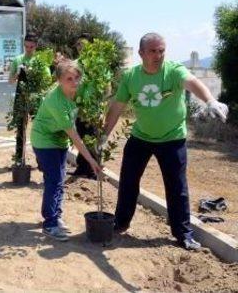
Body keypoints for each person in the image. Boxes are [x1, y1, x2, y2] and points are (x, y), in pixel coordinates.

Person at [102, 33, 229, 250]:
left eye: (161, 51)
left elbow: (193, 82)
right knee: (128, 181)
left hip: (172, 139)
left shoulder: (173, 70)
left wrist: (210, 100)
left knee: (177, 188)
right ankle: (121, 222)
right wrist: (104, 135)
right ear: (141, 53)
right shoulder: (132, 76)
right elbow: (117, 107)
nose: (158, 55)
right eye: (153, 51)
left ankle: (183, 234)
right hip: (141, 137)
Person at [31, 60, 101, 241]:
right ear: (59, 80)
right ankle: (50, 224)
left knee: (59, 180)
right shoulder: (55, 101)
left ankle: (55, 215)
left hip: (58, 139)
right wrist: (92, 161)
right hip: (44, 140)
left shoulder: (77, 91)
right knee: (54, 180)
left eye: (77, 77)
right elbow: (75, 136)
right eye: (69, 79)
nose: (74, 82)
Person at [8, 33, 51, 164]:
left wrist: (33, 73)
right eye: (26, 46)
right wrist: (18, 73)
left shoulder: (40, 61)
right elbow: (10, 81)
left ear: (36, 46)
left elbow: (48, 80)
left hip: (36, 99)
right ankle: (19, 159)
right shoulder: (17, 60)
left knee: (39, 129)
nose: (28, 49)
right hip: (21, 97)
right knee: (20, 129)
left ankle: (41, 160)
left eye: (31, 47)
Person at [72, 33, 98, 179]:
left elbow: (106, 86)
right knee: (80, 137)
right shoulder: (75, 64)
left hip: (92, 108)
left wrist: (101, 105)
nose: (81, 47)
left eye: (84, 44)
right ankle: (81, 167)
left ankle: (93, 170)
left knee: (92, 138)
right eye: (79, 45)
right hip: (77, 106)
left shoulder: (97, 64)